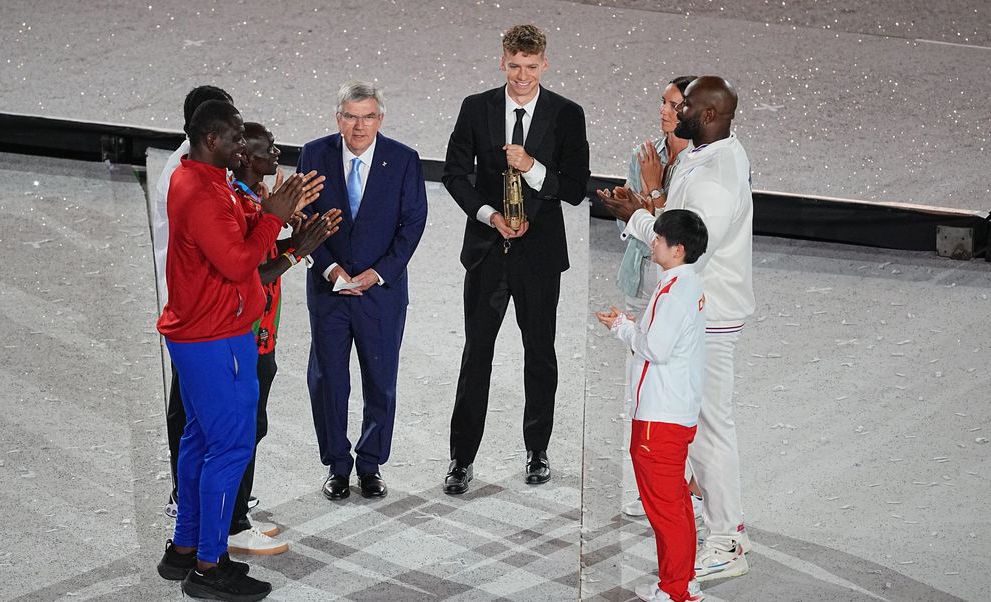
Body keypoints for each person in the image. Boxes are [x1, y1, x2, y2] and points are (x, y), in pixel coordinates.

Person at [154, 99, 324, 601]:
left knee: (199, 442)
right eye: (234, 138)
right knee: (230, 447)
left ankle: (183, 549)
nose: (241, 145)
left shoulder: (202, 180)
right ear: (211, 140)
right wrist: (274, 219)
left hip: (201, 333)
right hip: (218, 336)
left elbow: (238, 247)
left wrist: (286, 235)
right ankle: (210, 566)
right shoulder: (204, 193)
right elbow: (237, 263)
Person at [599, 75, 756, 582]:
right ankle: (712, 517)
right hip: (699, 310)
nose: (676, 109)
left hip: (709, 315)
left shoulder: (716, 176)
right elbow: (675, 216)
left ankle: (727, 538)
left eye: (685, 104)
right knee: (702, 423)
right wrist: (649, 204)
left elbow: (688, 241)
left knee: (710, 427)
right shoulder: (707, 153)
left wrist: (637, 216)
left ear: (709, 115)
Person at [442, 24, 590, 494]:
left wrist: (532, 167)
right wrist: (489, 216)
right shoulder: (477, 107)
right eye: (514, 66)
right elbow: (454, 173)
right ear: (502, 61)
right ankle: (461, 460)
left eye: (531, 67)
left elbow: (575, 187)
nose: (522, 76)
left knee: (539, 355)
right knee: (476, 357)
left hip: (539, 257)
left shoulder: (567, 114)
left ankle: (537, 452)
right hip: (488, 251)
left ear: (545, 63)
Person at [297, 81, 428, 501]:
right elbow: (302, 219)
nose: (359, 126)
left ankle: (370, 465)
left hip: (381, 294)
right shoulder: (313, 154)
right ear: (338, 118)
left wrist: (377, 274)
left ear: (380, 119)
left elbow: (412, 225)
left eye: (367, 116)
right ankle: (337, 465)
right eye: (351, 116)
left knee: (380, 381)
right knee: (328, 380)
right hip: (329, 290)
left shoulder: (404, 160)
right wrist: (330, 268)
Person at [225, 122, 341, 554]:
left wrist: (304, 238)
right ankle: (231, 524)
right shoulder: (237, 202)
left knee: (254, 427)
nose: (276, 152)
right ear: (244, 158)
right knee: (241, 430)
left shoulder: (256, 199)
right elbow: (252, 271)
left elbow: (269, 252)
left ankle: (239, 516)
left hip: (263, 336)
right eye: (265, 148)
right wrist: (300, 249)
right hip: (242, 337)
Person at [595, 76, 704, 519]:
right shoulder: (644, 155)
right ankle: (655, 486)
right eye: (663, 101)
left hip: (680, 290)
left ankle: (692, 488)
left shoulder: (699, 163)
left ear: (694, 112)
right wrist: (630, 205)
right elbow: (645, 228)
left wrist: (653, 195)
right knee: (641, 390)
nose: (663, 110)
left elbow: (682, 236)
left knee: (683, 392)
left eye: (674, 104)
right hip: (643, 281)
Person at [596, 209, 709, 602]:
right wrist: (635, 325)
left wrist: (621, 328)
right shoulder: (685, 283)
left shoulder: (674, 290)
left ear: (678, 250)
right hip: (670, 412)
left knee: (666, 510)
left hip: (659, 419)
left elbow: (655, 348)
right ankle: (682, 581)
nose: (653, 242)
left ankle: (676, 590)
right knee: (675, 503)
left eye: (659, 239)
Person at [152, 85, 234, 520]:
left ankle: (195, 495)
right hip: (192, 309)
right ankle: (183, 495)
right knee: (187, 406)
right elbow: (226, 249)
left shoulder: (206, 166)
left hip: (203, 306)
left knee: (196, 407)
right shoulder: (183, 175)